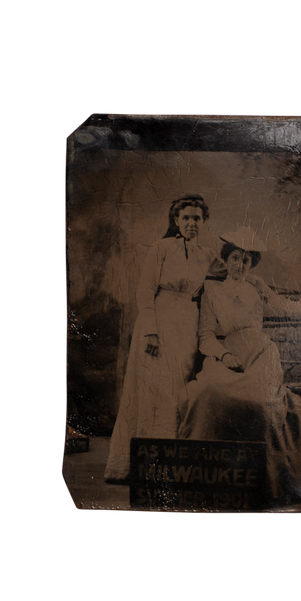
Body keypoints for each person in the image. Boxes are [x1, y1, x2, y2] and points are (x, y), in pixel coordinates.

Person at [177, 227, 301, 502]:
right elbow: (205, 336)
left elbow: (288, 308)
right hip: (226, 354)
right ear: (226, 259)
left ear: (252, 264)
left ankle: (263, 480)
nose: (240, 265)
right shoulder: (212, 290)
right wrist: (223, 355)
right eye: (235, 258)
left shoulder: (257, 288)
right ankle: (211, 480)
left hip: (262, 354)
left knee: (262, 402)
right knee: (207, 393)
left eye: (246, 260)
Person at [104, 194, 228, 482]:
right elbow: (146, 291)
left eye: (197, 218)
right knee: (150, 390)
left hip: (186, 327)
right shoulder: (160, 248)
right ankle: (137, 467)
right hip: (157, 323)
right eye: (185, 217)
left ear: (204, 222)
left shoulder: (207, 255)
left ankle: (165, 467)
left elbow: (229, 273)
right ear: (176, 221)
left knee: (175, 393)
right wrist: (151, 332)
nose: (191, 223)